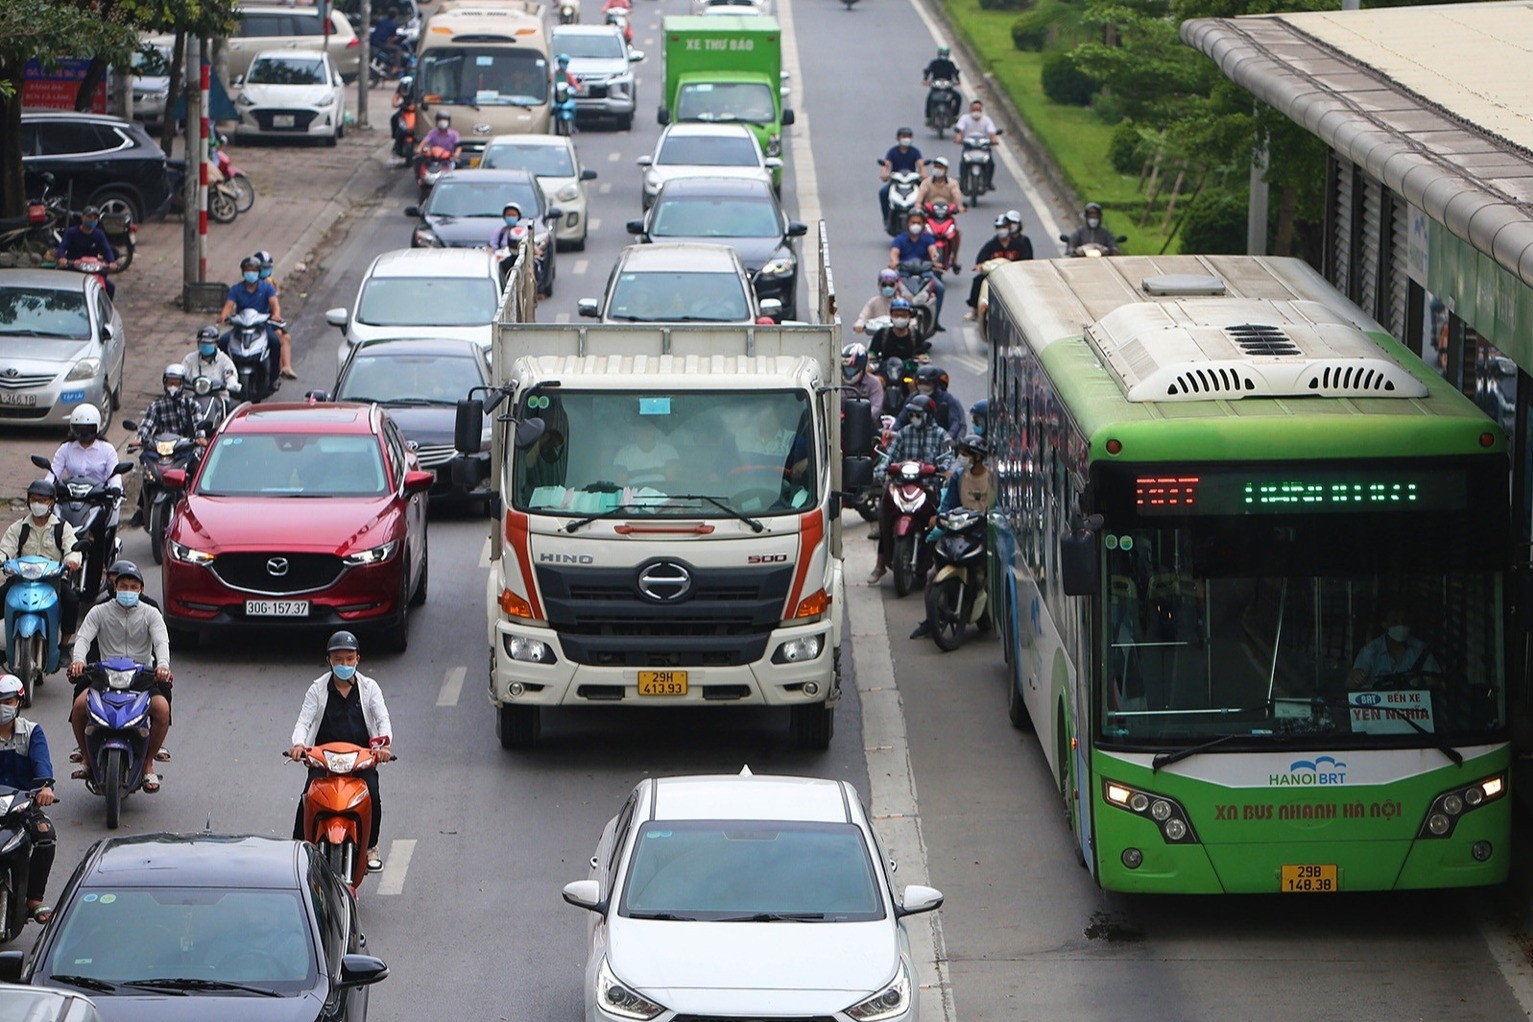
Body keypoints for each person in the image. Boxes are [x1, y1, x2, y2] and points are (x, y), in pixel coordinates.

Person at [288, 631, 394, 873]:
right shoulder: (317, 689)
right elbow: (303, 722)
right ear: (329, 660)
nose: (343, 664)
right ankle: (298, 848)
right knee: (307, 798)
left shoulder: (370, 689)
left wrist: (384, 748)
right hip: (324, 763)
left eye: (348, 659)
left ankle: (371, 847)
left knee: (373, 797)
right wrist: (298, 745)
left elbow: (382, 720)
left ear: (358, 658)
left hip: (360, 763)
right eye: (338, 659)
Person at [68, 563, 172, 793]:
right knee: (79, 706)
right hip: (106, 676)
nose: (128, 590)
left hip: (140, 677)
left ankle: (147, 764)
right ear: (114, 587)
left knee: (162, 709)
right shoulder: (99, 611)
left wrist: (162, 666)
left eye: (133, 586)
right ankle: (86, 758)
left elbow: (161, 642)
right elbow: (84, 638)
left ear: (141, 589)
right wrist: (78, 661)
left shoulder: (151, 613)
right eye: (123, 586)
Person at [910, 433, 996, 637]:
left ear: (976, 457)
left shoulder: (992, 478)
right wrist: (938, 517)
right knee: (932, 575)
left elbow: (999, 506)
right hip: (959, 531)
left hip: (983, 533)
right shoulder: (958, 477)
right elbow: (948, 503)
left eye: (966, 454)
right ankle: (930, 622)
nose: (962, 458)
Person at [868, 396, 954, 584]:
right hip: (901, 485)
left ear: (928, 415)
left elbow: (949, 458)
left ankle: (941, 565)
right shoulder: (904, 434)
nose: (914, 417)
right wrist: (880, 471)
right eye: (912, 414)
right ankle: (880, 564)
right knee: (886, 516)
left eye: (918, 414)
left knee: (942, 523)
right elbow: (889, 457)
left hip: (929, 487)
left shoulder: (940, 435)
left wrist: (945, 471)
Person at [0, 675, 57, 925]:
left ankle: (33, 898)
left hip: (22, 807)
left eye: (7, 700)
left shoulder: (32, 732)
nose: (2, 707)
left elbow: (42, 766)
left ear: (19, 702)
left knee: (45, 837)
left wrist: (45, 788)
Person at [0, 481, 83, 653]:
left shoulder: (62, 528)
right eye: (35, 499)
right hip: (21, 579)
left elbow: (72, 548)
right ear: (29, 501)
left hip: (53, 579)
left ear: (52, 502)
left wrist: (72, 560)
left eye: (43, 500)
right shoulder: (19, 527)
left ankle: (65, 645)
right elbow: (5, 548)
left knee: (71, 601)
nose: (38, 504)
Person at [218, 255, 286, 387]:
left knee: (275, 342)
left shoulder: (267, 288)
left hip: (262, 326)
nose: (251, 273)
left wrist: (276, 315)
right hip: (240, 326)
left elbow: (274, 305)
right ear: (243, 272)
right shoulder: (236, 289)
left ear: (259, 272)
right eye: (248, 270)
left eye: (254, 270)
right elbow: (228, 306)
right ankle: (223, 376)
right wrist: (223, 316)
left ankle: (273, 378)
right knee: (223, 342)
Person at [1348, 605, 1442, 690]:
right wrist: (1355, 678)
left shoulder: (1420, 650)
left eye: (1404, 622)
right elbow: (1351, 685)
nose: (1401, 626)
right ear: (1384, 624)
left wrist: (1433, 684)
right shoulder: (1369, 651)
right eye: (1395, 622)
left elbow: (1435, 684)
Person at [963, 213, 1030, 320]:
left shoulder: (1019, 244)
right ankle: (975, 311)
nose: (1001, 230)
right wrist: (980, 266)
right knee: (977, 281)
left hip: (1015, 274)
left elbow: (1027, 259)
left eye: (1003, 227)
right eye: (998, 228)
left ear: (1009, 228)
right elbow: (981, 259)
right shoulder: (992, 245)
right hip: (994, 275)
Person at [890, 210, 946, 331]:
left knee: (940, 288)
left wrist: (935, 260)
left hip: (924, 273)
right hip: (905, 273)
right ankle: (890, 317)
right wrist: (894, 261)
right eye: (913, 222)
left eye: (919, 222)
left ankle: (935, 320)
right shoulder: (900, 239)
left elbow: (933, 251)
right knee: (890, 289)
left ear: (923, 224)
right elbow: (894, 252)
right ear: (907, 223)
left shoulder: (928, 239)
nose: (915, 225)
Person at [54, 206, 119, 300]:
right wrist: (62, 258)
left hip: (93, 269)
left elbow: (107, 249)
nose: (92, 220)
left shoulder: (99, 234)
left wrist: (111, 262)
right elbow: (62, 247)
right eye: (89, 217)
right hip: (74, 268)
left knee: (110, 287)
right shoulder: (72, 232)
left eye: (95, 218)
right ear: (82, 217)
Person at [251, 250, 296, 378]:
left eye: (268, 268)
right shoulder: (248, 285)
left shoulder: (270, 283)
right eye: (263, 268)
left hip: (267, 318)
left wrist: (276, 315)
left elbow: (274, 304)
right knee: (277, 335)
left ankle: (286, 367)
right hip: (252, 320)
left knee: (285, 337)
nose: (266, 270)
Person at [894, 365, 965, 440]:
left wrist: (948, 437)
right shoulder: (912, 398)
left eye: (927, 383)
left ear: (935, 384)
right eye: (920, 383)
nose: (923, 386)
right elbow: (901, 419)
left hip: (938, 440)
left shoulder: (947, 399)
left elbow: (955, 422)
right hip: (914, 438)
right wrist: (893, 432)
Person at [878, 128, 925, 228]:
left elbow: (921, 164)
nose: (906, 139)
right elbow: (886, 164)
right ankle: (886, 217)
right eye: (903, 136)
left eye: (908, 136)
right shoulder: (892, 151)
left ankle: (925, 218)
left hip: (912, 181)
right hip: (896, 182)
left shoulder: (915, 152)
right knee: (883, 193)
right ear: (898, 138)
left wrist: (924, 175)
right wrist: (884, 174)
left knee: (925, 194)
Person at [614, 419, 680, 488]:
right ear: (636, 431)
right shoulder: (624, 453)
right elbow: (621, 485)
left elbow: (672, 482)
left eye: (649, 429)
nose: (645, 432)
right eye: (641, 429)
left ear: (655, 430)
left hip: (663, 496)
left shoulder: (668, 451)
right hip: (634, 496)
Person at [953, 99, 1000, 193]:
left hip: (983, 147)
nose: (976, 112)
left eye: (978, 110)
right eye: (974, 109)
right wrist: (959, 137)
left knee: (991, 163)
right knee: (963, 164)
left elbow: (991, 132)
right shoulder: (965, 118)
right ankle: (963, 181)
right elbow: (960, 130)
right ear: (970, 110)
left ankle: (988, 182)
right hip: (969, 146)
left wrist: (993, 139)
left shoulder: (986, 120)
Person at [181, 324, 242, 396]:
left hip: (218, 398)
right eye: (203, 343)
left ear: (216, 343)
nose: (206, 345)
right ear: (198, 343)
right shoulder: (189, 359)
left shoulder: (224, 360)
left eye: (209, 343)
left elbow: (230, 374)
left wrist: (232, 383)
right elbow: (181, 373)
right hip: (194, 398)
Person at [868, 298, 927, 363]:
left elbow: (923, 353)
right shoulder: (881, 334)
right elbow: (872, 352)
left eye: (903, 315)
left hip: (910, 370)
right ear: (891, 316)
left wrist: (922, 357)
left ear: (909, 316)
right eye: (896, 315)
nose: (900, 318)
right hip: (885, 370)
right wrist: (870, 356)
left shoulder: (916, 335)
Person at [841, 343, 884, 429]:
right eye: (846, 368)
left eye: (853, 367)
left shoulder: (874, 383)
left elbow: (875, 410)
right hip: (840, 426)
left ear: (862, 366)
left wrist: (856, 418)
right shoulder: (837, 383)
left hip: (868, 427)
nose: (849, 372)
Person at [853, 269, 901, 334]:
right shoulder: (873, 302)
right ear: (879, 285)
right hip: (877, 339)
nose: (888, 287)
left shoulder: (901, 303)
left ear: (896, 285)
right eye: (884, 284)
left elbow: (911, 320)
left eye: (891, 284)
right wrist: (859, 325)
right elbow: (863, 317)